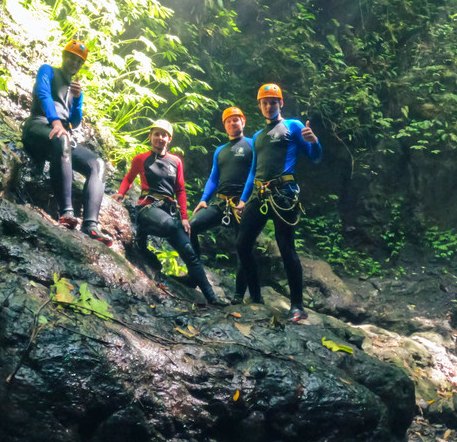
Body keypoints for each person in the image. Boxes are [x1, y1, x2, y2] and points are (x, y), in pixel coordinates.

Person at [234, 83, 322, 322]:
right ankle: (256, 297)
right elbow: (253, 171)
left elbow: (314, 157)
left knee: (286, 247)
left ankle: (297, 306)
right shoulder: (258, 137)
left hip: (284, 193)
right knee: (242, 244)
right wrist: (243, 200)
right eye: (264, 102)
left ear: (280, 103)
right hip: (260, 195)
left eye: (273, 101)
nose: (269, 105)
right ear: (260, 106)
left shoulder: (292, 126)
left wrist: (314, 142)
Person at [115, 119, 225, 305]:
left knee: (190, 253)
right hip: (147, 208)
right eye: (156, 134)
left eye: (163, 135)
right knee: (171, 226)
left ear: (169, 139)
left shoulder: (176, 161)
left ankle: (212, 298)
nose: (160, 138)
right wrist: (120, 193)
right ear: (150, 136)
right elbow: (129, 178)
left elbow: (180, 190)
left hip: (169, 214)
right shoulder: (140, 159)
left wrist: (184, 218)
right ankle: (141, 234)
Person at [21, 38, 112, 244]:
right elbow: (42, 94)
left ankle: (91, 225)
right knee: (62, 139)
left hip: (62, 131)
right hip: (38, 124)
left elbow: (74, 121)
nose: (74, 63)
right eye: (72, 58)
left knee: (97, 164)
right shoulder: (48, 70)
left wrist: (78, 100)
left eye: (79, 61)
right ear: (64, 56)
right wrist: (54, 122)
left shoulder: (75, 86)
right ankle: (66, 212)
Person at [189, 106, 253, 258]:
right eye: (228, 121)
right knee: (191, 227)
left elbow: (255, 172)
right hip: (221, 202)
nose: (232, 124)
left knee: (243, 247)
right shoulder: (220, 151)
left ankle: (243, 283)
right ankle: (195, 275)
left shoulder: (252, 144)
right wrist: (204, 199)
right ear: (224, 126)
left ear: (243, 122)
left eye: (235, 120)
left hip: (243, 204)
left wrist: (245, 200)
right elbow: (213, 177)